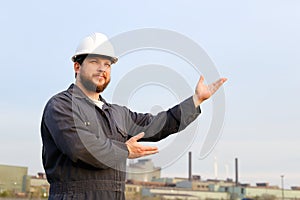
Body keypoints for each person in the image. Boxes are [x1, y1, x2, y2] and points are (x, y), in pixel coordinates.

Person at [40, 32, 227, 200]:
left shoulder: (118, 113)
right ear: (77, 66)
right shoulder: (61, 106)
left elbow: (158, 124)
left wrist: (195, 100)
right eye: (94, 62)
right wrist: (125, 151)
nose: (102, 69)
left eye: (107, 64)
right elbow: (79, 148)